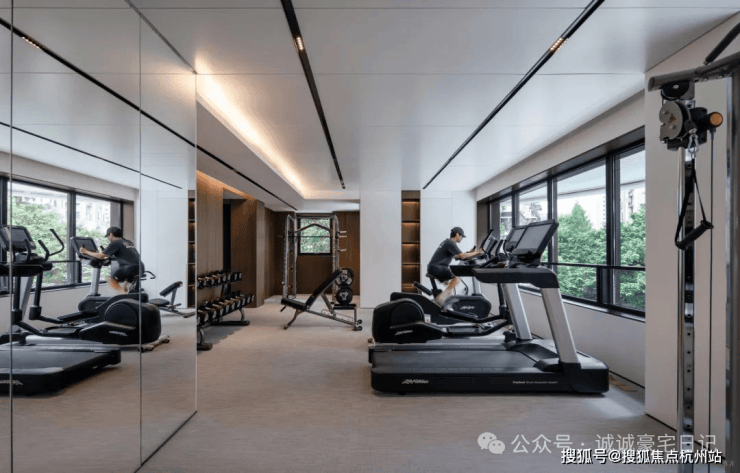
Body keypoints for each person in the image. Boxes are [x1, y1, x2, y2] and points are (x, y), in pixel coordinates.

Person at [427, 226, 483, 305]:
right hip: (438, 268)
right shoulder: (450, 243)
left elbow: (457, 256)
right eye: (461, 236)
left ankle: (445, 299)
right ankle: (441, 298)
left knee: (450, 283)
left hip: (433, 267)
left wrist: (470, 253)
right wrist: (477, 252)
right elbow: (462, 256)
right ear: (457, 235)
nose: (462, 238)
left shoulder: (447, 242)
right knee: (457, 277)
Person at [79, 226, 143, 294]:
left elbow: (101, 256)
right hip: (140, 267)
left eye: (108, 236)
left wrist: (85, 251)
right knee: (125, 287)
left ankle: (123, 295)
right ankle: (126, 296)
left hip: (129, 268)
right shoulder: (128, 242)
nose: (108, 238)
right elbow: (128, 254)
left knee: (110, 279)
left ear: (111, 234)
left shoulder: (115, 242)